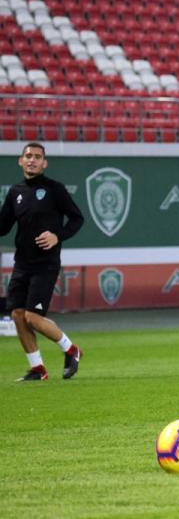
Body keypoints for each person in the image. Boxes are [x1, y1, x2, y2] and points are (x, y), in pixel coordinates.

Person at [0, 142, 85, 381]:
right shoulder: (15, 192)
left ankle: (72, 349)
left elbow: (77, 219)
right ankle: (38, 369)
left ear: (44, 163)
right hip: (22, 263)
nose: (32, 160)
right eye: (28, 156)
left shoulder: (55, 189)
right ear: (20, 161)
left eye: (37, 157)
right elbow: (3, 226)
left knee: (32, 317)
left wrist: (57, 235)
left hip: (45, 263)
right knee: (17, 315)